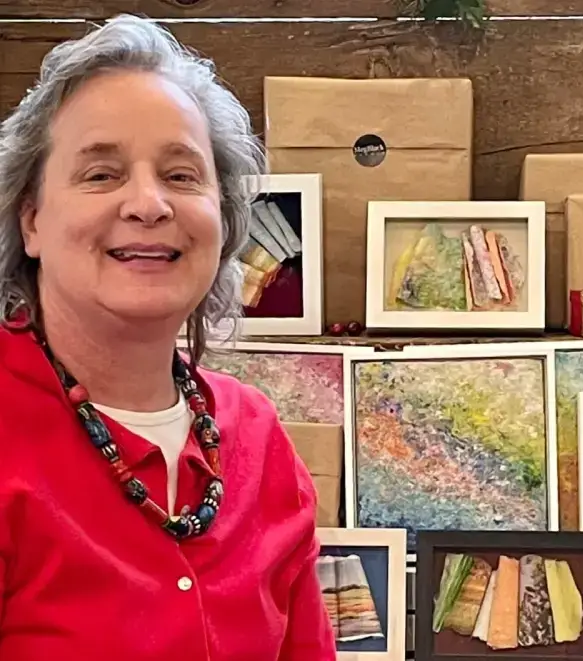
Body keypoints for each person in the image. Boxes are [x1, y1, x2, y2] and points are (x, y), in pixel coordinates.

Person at [0, 13, 336, 661]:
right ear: (32, 218)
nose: (149, 204)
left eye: (182, 175)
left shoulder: (257, 437)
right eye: (101, 173)